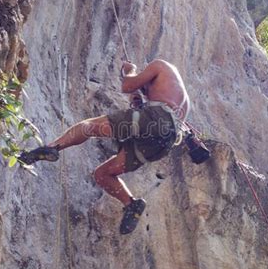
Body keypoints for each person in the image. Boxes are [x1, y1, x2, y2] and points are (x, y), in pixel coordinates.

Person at [26, 59, 190, 234]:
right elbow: (146, 110)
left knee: (88, 127)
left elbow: (127, 85)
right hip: (163, 142)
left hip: (155, 120)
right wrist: (137, 100)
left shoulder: (160, 65)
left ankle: (53, 147)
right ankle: (131, 204)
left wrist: (130, 70)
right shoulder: (175, 93)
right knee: (103, 174)